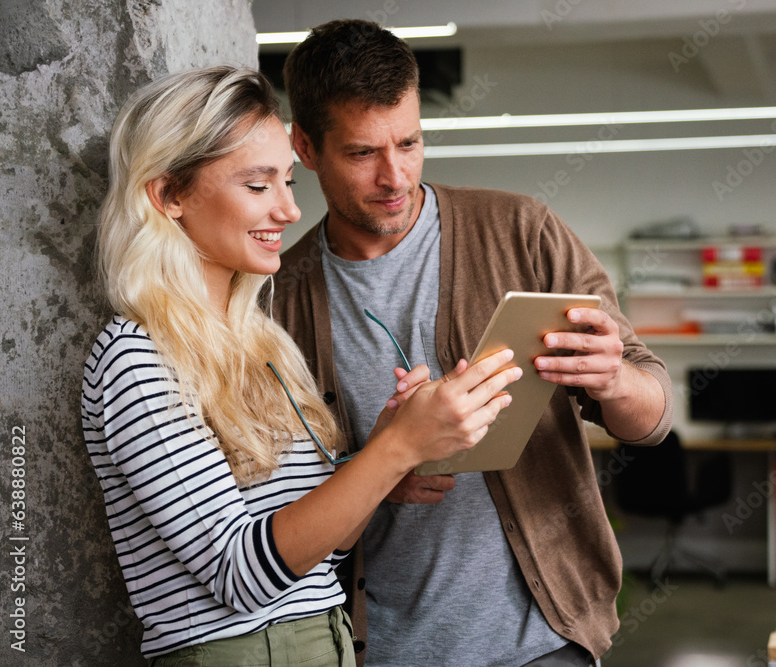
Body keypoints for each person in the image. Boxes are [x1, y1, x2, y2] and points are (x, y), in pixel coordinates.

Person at [81, 65, 519, 666]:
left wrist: (391, 450)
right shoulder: (135, 357)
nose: (289, 211)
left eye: (288, 182)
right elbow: (241, 577)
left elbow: (322, 553)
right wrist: (392, 454)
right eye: (259, 187)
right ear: (169, 196)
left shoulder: (265, 346)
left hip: (326, 644)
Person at [273, 20, 674, 667]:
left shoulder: (522, 231)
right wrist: (378, 471)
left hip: (544, 642)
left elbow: (653, 418)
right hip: (384, 648)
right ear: (305, 146)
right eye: (361, 152)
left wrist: (615, 379)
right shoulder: (278, 301)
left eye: (409, 142)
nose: (394, 174)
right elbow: (277, 513)